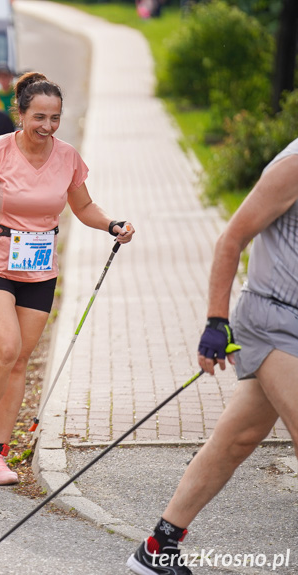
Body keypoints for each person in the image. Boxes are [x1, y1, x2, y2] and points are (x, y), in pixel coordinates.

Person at [126, 138, 298, 575]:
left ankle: (157, 547)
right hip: (271, 320)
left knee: (236, 441)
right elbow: (231, 238)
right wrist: (216, 321)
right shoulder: (293, 165)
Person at [0, 72, 134, 486]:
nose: (48, 126)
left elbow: (83, 205)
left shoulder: (67, 156)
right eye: (39, 116)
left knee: (19, 362)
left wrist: (112, 224)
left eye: (55, 117)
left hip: (38, 268)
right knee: (6, 347)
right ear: (20, 113)